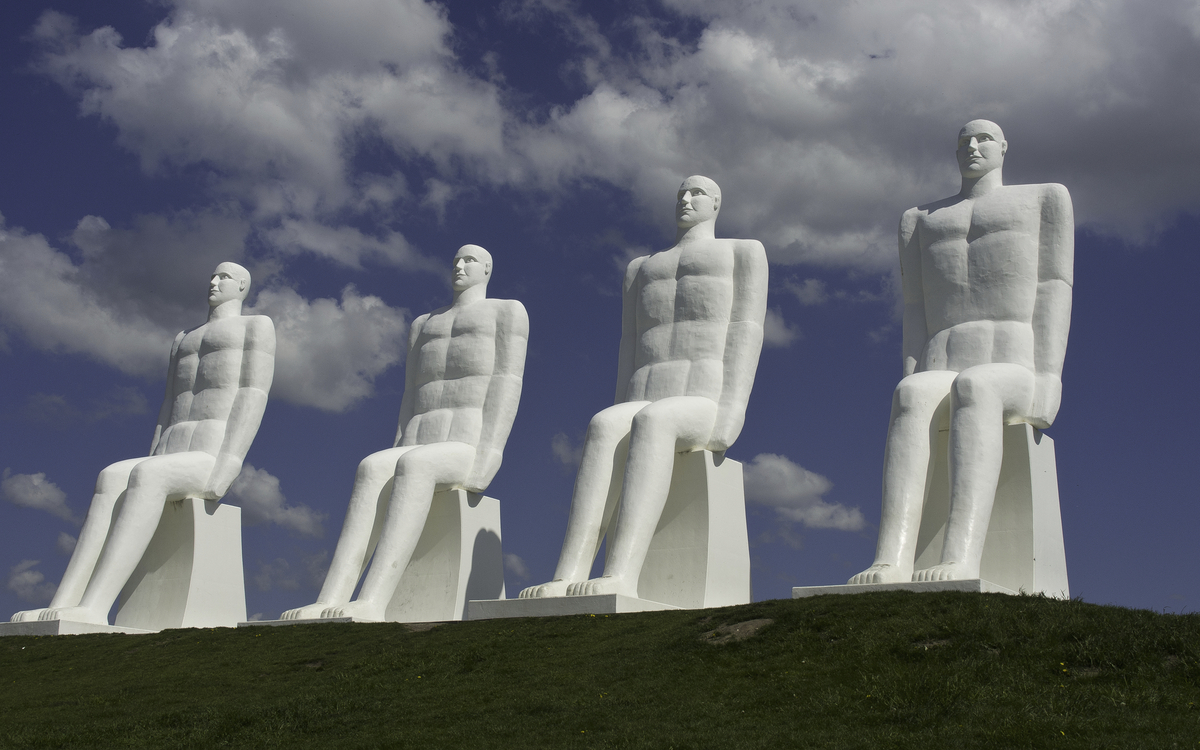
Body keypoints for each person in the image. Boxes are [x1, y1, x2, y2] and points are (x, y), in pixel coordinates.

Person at [520, 175, 768, 601]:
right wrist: (622, 406)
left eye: (697, 193)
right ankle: (567, 574)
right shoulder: (640, 268)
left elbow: (746, 329)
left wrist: (733, 409)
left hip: (702, 398)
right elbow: (630, 344)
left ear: (716, 204)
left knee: (655, 420)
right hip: (644, 393)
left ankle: (622, 573)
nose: (686, 199)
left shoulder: (741, 252)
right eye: (681, 193)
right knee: (603, 425)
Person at [849, 119, 1073, 585]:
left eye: (984, 138)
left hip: (1012, 361)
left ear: (1004, 148)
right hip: (942, 358)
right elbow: (915, 306)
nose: (972, 146)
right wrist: (911, 370)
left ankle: (962, 554)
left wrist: (1049, 377)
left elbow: (1054, 287)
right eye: (964, 141)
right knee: (910, 395)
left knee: (976, 387)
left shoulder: (1044, 198)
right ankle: (890, 557)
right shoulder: (920, 219)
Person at [12, 262, 275, 625]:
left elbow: (253, 393)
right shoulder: (183, 338)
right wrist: (152, 453)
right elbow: (169, 402)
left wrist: (230, 460)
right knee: (110, 477)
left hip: (209, 451)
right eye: (212, 276)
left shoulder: (255, 326)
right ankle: (64, 602)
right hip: (170, 448)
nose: (214, 282)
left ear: (242, 286)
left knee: (148, 476)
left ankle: (96, 606)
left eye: (224, 277)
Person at [282, 245, 528, 622]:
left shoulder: (506, 311)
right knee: (370, 467)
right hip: (417, 438)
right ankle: (328, 598)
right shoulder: (423, 324)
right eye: (455, 260)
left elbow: (506, 381)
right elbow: (410, 394)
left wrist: (490, 454)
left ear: (487, 269)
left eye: (469, 261)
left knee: (415, 466)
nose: (459, 266)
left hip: (465, 442)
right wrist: (398, 444)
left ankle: (373, 600)